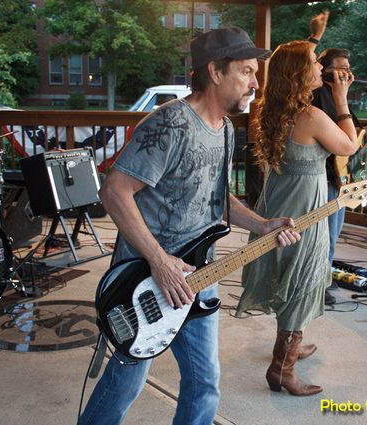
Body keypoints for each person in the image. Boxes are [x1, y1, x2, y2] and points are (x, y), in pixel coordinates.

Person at [79, 27, 301, 425]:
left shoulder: (227, 130)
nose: (255, 82)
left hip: (200, 277)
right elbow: (115, 191)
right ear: (215, 71)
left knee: (204, 381)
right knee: (127, 381)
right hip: (145, 280)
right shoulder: (169, 125)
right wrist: (160, 262)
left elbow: (218, 200)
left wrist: (263, 225)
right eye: (247, 71)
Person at [236, 37, 358, 396]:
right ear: (298, 73)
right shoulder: (312, 116)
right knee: (301, 285)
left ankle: (288, 345)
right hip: (304, 215)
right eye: (314, 63)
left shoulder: (272, 110)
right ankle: (282, 370)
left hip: (277, 209)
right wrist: (341, 99)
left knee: (288, 281)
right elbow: (349, 146)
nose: (322, 67)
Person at [311, 47, 367, 305]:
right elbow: (337, 138)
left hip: (338, 175)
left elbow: (349, 132)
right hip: (324, 174)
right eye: (340, 67)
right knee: (326, 235)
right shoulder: (320, 95)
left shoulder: (336, 95)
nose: (347, 72)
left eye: (348, 67)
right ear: (325, 69)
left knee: (333, 232)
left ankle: (324, 279)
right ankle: (319, 285)